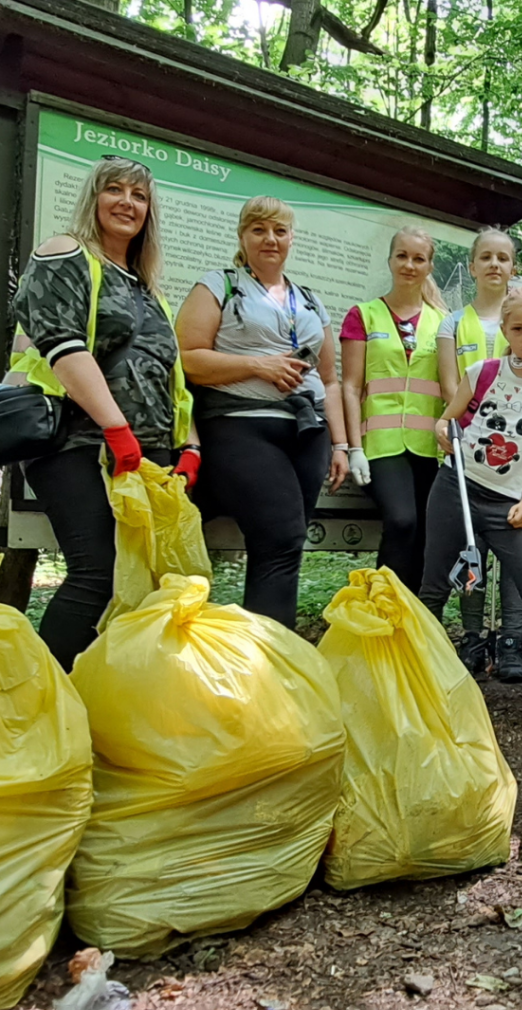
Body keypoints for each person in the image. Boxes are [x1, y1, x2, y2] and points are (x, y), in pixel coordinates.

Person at [11, 155, 196, 671]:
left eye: (139, 196)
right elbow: (61, 343)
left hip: (146, 455)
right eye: (114, 190)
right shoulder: (64, 253)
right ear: (93, 198)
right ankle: (44, 706)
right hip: (77, 441)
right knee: (99, 571)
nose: (127, 203)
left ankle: (105, 708)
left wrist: (191, 445)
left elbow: (171, 374)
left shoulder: (147, 287)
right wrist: (116, 428)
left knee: (145, 582)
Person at [176, 196, 347, 628]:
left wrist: (342, 444)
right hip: (239, 425)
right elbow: (184, 357)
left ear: (291, 238)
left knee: (285, 547)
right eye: (258, 230)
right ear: (242, 236)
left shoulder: (309, 299)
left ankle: (267, 660)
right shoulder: (219, 285)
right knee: (281, 537)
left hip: (308, 434)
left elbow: (329, 379)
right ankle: (269, 663)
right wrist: (257, 364)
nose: (270, 239)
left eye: (279, 231)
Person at [419, 286, 522, 694]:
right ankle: (423, 671)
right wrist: (442, 434)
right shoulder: (482, 373)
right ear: (505, 329)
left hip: (508, 505)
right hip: (457, 489)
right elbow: (446, 421)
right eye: (518, 328)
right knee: (435, 585)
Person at [436, 228, 522, 681]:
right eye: (486, 257)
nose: (495, 265)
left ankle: (511, 641)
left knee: (514, 549)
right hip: (469, 456)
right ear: (472, 266)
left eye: (504, 258)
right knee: (469, 548)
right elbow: (450, 388)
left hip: (519, 459)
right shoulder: (452, 323)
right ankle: (473, 637)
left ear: (514, 268)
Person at [339, 227, 447, 592]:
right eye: (402, 256)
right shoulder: (364, 315)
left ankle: (411, 620)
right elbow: (351, 387)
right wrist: (354, 448)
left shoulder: (443, 322)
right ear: (390, 260)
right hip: (381, 445)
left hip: (429, 446)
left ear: (430, 265)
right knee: (402, 522)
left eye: (419, 258)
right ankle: (381, 608)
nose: (409, 265)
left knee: (426, 533)